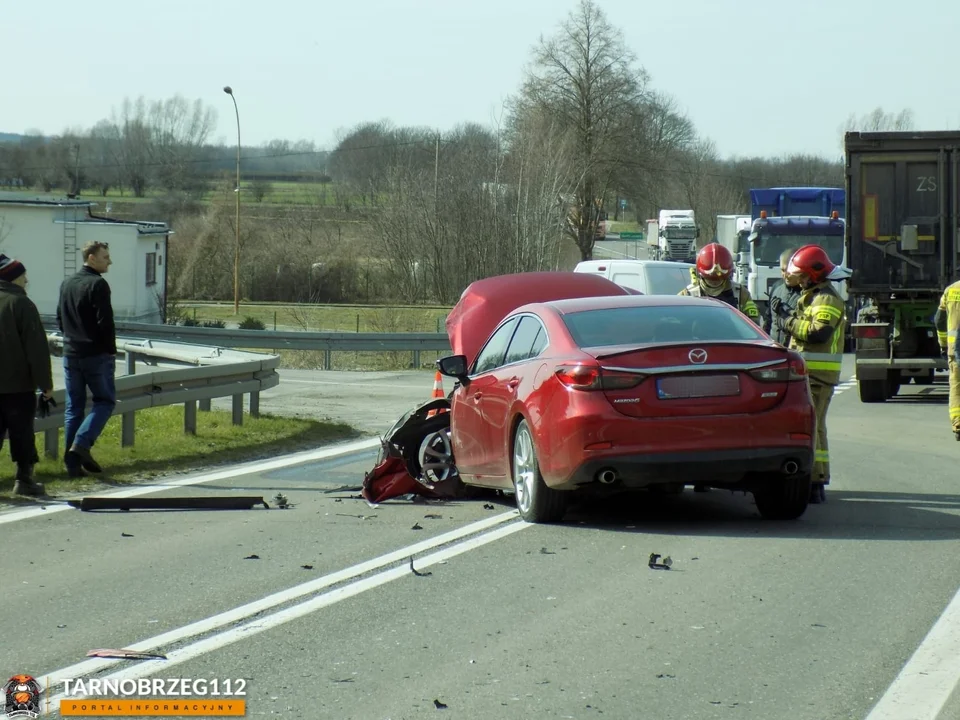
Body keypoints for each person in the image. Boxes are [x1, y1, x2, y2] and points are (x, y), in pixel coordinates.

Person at [771, 244, 849, 504]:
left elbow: (818, 333)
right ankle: (815, 480)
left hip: (818, 375)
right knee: (812, 427)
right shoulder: (814, 295)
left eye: (803, 276)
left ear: (814, 274)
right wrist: (787, 313)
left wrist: (786, 321)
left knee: (814, 428)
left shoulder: (826, 298)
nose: (800, 281)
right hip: (810, 374)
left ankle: (816, 481)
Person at [57, 241, 116, 477]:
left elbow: (60, 319)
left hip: (70, 353)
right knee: (105, 401)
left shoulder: (67, 283)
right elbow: (105, 322)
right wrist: (110, 350)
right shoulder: (98, 285)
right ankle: (81, 444)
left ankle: (72, 465)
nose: (109, 261)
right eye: (105, 257)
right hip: (95, 354)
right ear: (91, 258)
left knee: (74, 408)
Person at [0, 254, 53, 496]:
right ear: (13, 278)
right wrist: (46, 385)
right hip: (17, 386)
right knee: (21, 433)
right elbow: (36, 349)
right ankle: (24, 479)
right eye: (23, 276)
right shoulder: (21, 304)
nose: (26, 280)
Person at [679, 243, 761, 324]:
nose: (714, 282)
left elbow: (754, 323)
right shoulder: (688, 294)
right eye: (710, 279)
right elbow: (675, 321)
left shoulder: (740, 293)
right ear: (700, 275)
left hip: (731, 336)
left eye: (719, 279)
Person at [934, 278, 960, 440]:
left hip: (955, 349)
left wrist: (943, 344)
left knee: (956, 385)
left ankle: (958, 424)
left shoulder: (951, 290)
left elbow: (939, 320)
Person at [763, 247, 802, 345]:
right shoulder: (776, 287)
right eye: (782, 270)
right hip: (774, 349)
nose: (785, 275)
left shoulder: (807, 292)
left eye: (789, 271)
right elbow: (768, 320)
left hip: (795, 351)